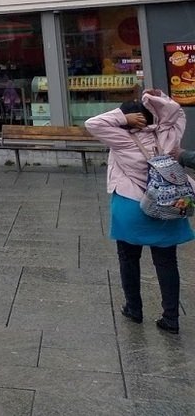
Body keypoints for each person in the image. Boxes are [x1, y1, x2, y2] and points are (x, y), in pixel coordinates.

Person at [85, 90, 192, 333]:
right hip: (169, 205)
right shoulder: (168, 132)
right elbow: (177, 112)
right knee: (166, 262)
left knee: (128, 258)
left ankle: (134, 309)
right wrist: (155, 98)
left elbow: (93, 123)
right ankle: (171, 318)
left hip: (131, 206)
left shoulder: (122, 138)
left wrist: (123, 118)